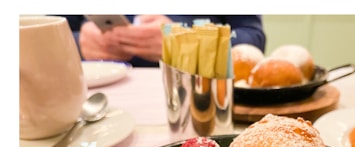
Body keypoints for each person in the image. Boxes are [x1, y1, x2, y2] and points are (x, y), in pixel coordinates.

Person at [60, 15, 266, 67]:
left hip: (196, 92)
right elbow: (49, 30)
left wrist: (190, 43)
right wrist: (78, 43)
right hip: (98, 99)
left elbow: (252, 38)